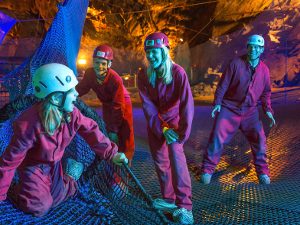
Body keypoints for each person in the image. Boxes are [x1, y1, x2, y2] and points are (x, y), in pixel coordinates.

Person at [0, 63, 128, 217]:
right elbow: (10, 161)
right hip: (34, 169)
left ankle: (69, 176)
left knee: (58, 197)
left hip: (54, 166)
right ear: (55, 97)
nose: (76, 94)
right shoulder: (29, 124)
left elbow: (92, 131)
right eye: (71, 90)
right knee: (39, 207)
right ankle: (19, 190)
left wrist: (112, 153)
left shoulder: (72, 114)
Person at [201, 34, 276, 185]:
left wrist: (268, 110)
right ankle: (207, 170)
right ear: (247, 47)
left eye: (257, 47)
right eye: (251, 46)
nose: (253, 50)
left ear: (262, 50)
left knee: (259, 139)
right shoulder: (235, 64)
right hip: (230, 108)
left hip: (250, 111)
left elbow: (266, 92)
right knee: (217, 137)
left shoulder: (264, 70)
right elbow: (223, 85)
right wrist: (217, 103)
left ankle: (262, 173)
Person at [138, 32, 194, 224]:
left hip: (175, 122)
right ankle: (169, 199)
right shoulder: (143, 74)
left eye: (155, 52)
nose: (151, 56)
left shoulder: (178, 73)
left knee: (177, 161)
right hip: (156, 123)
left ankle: (185, 207)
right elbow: (148, 106)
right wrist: (161, 128)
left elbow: (187, 104)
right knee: (161, 161)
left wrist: (181, 135)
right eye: (148, 52)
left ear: (164, 51)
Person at [76, 44, 135, 163]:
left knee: (125, 133)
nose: (99, 66)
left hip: (123, 102)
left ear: (109, 64)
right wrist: (68, 95)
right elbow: (81, 89)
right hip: (107, 104)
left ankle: (126, 164)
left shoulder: (115, 79)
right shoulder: (90, 74)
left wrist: (114, 130)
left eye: (103, 63)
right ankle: (112, 161)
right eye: (97, 62)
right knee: (108, 132)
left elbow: (118, 106)